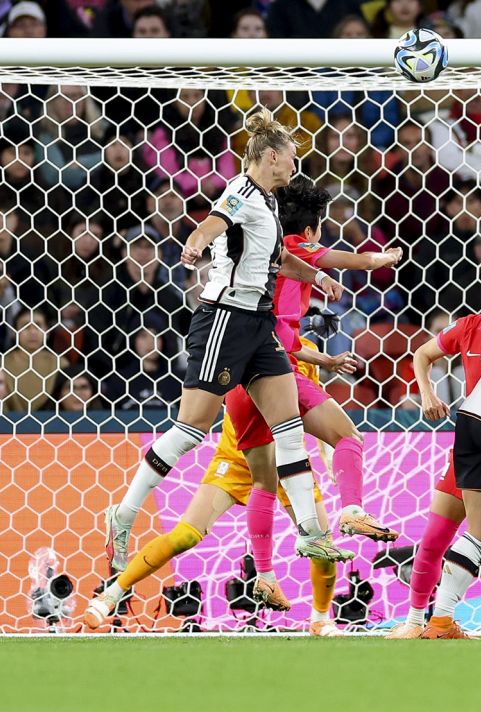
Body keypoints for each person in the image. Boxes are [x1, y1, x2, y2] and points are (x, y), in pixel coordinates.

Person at [94, 109, 353, 629]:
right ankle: (124, 511)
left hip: (259, 327)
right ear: (272, 157)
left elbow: (276, 258)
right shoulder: (241, 191)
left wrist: (315, 276)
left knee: (288, 430)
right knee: (191, 429)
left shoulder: (272, 204)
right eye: (292, 158)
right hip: (225, 320)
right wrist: (194, 242)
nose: (295, 166)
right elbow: (215, 221)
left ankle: (308, 530)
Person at [85, 340, 348, 636]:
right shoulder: (236, 341)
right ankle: (113, 593)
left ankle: (321, 618)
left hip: (288, 465)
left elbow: (316, 406)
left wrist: (327, 455)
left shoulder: (306, 352)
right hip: (235, 459)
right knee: (185, 535)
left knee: (322, 543)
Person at [222, 177, 403, 600]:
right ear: (310, 231)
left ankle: (264, 573)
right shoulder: (290, 244)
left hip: (243, 370)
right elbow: (338, 258)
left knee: (264, 483)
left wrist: (326, 360)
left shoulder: (254, 250)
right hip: (274, 373)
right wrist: (380, 258)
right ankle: (352, 510)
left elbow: (284, 337)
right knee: (347, 437)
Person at [388, 263, 481, 640]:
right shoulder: (469, 326)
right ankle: (416, 621)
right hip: (472, 443)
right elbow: (421, 355)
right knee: (435, 536)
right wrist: (427, 394)